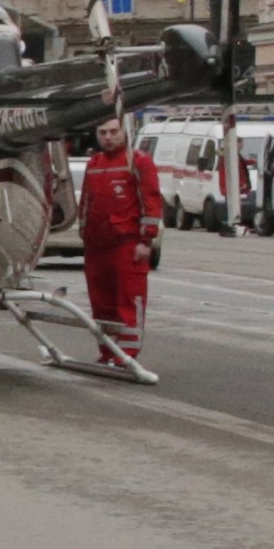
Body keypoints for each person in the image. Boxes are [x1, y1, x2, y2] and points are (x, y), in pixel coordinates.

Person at [79, 112, 164, 373]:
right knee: (101, 301)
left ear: (124, 131)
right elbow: (87, 202)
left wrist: (146, 239)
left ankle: (127, 353)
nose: (108, 137)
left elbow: (151, 202)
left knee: (128, 299)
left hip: (126, 245)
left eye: (113, 131)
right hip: (97, 245)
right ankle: (107, 350)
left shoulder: (138, 162)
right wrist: (84, 232)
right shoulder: (95, 163)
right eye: (103, 132)